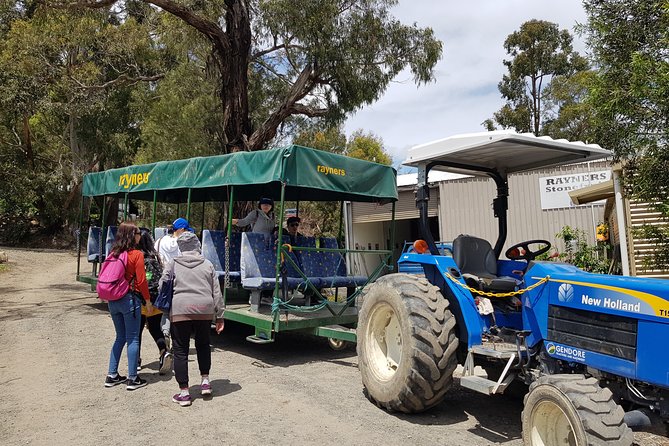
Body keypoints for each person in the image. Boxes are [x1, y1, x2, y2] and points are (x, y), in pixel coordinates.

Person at [160, 232, 224, 407]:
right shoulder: (208, 264)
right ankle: (205, 382)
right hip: (204, 310)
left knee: (180, 350)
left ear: (180, 247)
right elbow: (216, 292)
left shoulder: (173, 263)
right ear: (197, 245)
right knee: (203, 345)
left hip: (180, 310)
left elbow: (162, 285)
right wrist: (220, 316)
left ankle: (184, 393)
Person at [104, 222, 151, 391]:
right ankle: (133, 378)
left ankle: (112, 375)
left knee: (120, 337)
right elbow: (141, 281)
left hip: (112, 300)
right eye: (138, 232)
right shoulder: (136, 254)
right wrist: (147, 300)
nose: (140, 235)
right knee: (133, 338)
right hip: (130, 300)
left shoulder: (113, 252)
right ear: (132, 235)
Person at [137, 229, 173, 375]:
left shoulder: (138, 259)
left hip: (141, 301)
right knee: (155, 329)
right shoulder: (156, 259)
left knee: (136, 332)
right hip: (155, 300)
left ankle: (136, 360)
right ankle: (163, 352)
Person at [154, 218, 193, 338]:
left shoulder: (159, 241)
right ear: (181, 229)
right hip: (179, 280)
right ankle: (177, 338)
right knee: (180, 311)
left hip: (164, 278)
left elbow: (155, 259)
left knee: (165, 310)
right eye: (186, 230)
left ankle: (165, 334)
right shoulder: (184, 244)